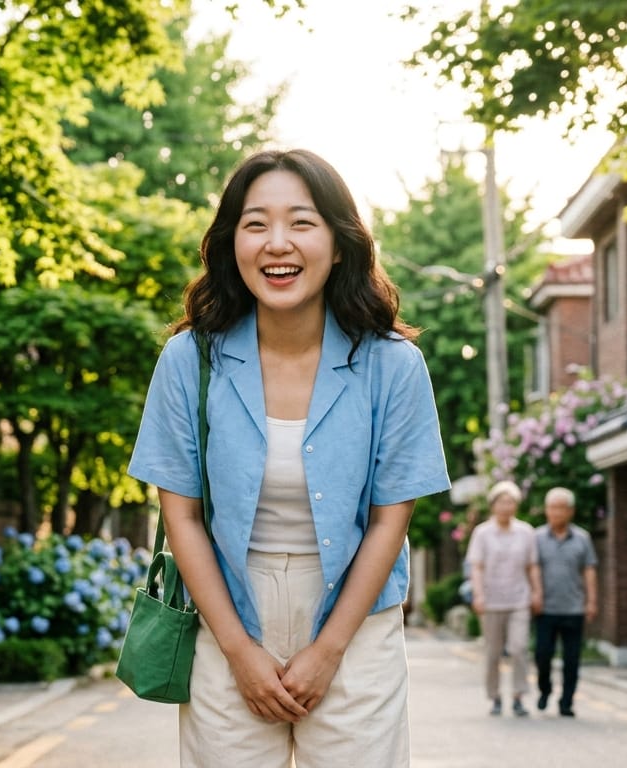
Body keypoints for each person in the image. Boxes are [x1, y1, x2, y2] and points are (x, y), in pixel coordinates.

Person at [128, 149, 451, 767]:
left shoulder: (393, 364)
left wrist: (329, 650)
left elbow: (390, 521)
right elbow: (182, 518)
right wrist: (238, 652)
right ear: (231, 244)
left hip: (357, 621)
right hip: (225, 613)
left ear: (339, 241)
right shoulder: (188, 360)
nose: (278, 243)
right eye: (256, 224)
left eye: (302, 222)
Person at [465, 480, 541, 717]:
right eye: (502, 502)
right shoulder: (482, 533)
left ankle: (518, 695)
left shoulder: (526, 531)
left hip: (519, 598)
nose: (506, 507)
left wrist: (538, 592)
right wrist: (478, 595)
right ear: (493, 505)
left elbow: (532, 566)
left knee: (519, 648)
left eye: (510, 502)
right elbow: (476, 567)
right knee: (493, 652)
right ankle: (495, 696)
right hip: (491, 600)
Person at [532, 486, 598, 717]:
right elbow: (532, 569)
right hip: (545, 608)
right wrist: (535, 595)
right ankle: (544, 689)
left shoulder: (582, 538)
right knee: (542, 654)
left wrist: (591, 601)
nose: (556, 512)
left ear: (571, 511)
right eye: (552, 507)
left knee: (572, 659)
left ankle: (567, 701)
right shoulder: (537, 538)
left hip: (573, 607)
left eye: (561, 508)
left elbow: (589, 570)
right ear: (546, 511)